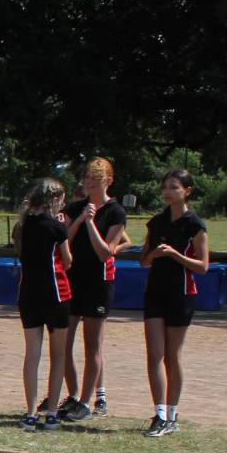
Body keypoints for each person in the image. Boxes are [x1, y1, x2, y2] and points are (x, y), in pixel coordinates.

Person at [139, 168, 211, 437]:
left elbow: (203, 266)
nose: (168, 192)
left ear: (187, 191)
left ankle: (172, 414)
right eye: (165, 187)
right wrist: (155, 255)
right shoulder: (156, 223)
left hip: (181, 293)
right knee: (154, 354)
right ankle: (159, 414)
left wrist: (175, 255)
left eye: (174, 187)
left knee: (172, 355)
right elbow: (144, 261)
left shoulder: (195, 225)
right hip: (155, 292)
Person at [58, 157, 131, 420]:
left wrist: (90, 223)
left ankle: (87, 402)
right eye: (87, 177)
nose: (89, 182)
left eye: (96, 178)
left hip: (98, 283)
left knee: (92, 346)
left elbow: (106, 252)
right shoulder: (75, 208)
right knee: (63, 343)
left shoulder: (116, 212)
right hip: (72, 281)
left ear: (108, 181)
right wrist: (79, 220)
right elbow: (63, 243)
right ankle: (73, 395)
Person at [14, 177, 72, 430]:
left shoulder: (24, 225)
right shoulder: (57, 227)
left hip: (28, 294)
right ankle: (52, 413)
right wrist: (63, 228)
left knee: (32, 355)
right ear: (55, 200)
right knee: (58, 356)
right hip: (56, 293)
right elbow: (68, 260)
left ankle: (30, 413)